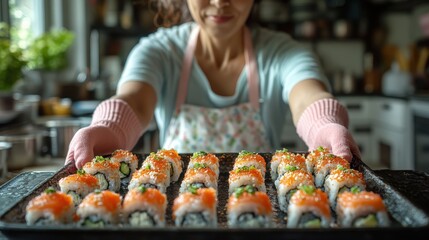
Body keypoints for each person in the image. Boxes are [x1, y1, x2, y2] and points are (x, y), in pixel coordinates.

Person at [66, 0, 361, 169]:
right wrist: (106, 128)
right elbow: (135, 100)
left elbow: (307, 95)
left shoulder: (284, 52)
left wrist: (324, 126)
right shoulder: (158, 51)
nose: (220, 2)